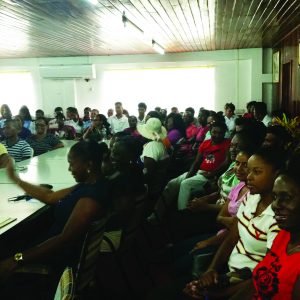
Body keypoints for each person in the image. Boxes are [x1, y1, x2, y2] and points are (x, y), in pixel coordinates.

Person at [0, 141, 110, 297]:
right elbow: (49, 196)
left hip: (58, 258)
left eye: (72, 164)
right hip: (53, 245)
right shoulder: (89, 184)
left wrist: (17, 259)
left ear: (89, 164)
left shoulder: (90, 199)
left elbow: (63, 240)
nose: (69, 169)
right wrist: (17, 180)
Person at [183, 147, 284, 300]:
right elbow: (232, 236)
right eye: (249, 171)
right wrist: (211, 270)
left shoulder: (278, 218)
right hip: (227, 269)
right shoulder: (251, 196)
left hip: (243, 282)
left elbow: (262, 277)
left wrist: (216, 293)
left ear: (276, 175)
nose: (248, 177)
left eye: (256, 172)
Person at [137, 117, 169, 202]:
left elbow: (148, 172)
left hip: (152, 186)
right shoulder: (159, 143)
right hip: (160, 182)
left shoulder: (151, 147)